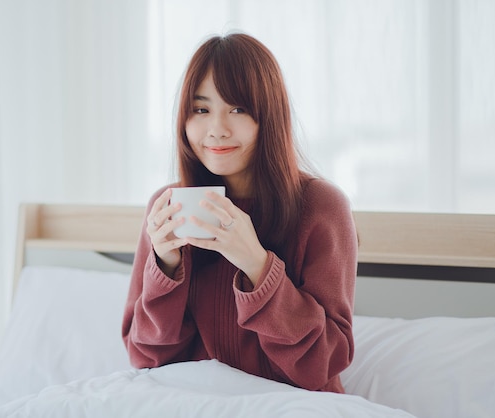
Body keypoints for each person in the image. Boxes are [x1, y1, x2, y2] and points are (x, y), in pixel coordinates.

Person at [122, 32, 358, 393]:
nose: (216, 130)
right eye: (201, 110)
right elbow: (145, 357)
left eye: (238, 109)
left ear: (269, 116)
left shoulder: (322, 207)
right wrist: (165, 267)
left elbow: (323, 363)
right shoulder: (168, 205)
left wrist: (259, 266)